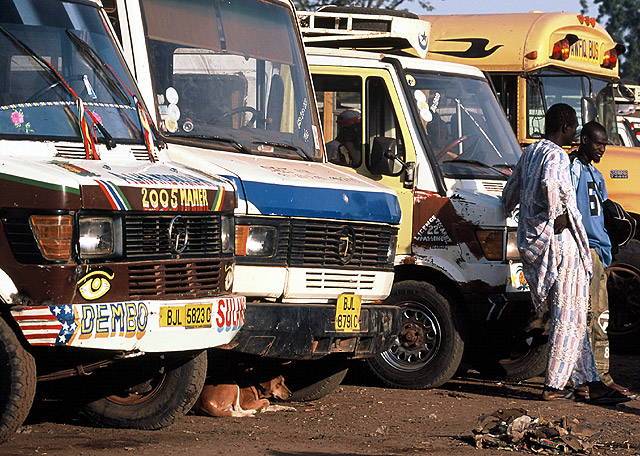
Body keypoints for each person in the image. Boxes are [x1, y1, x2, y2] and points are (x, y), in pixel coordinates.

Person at [501, 103, 629, 404]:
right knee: (569, 317)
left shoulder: (530, 152)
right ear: (568, 128)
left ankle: (589, 381)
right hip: (562, 245)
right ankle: (555, 385)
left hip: (536, 243)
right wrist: (558, 217)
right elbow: (552, 187)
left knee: (573, 314)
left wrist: (520, 216)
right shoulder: (557, 155)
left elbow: (509, 195)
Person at [568, 121, 631, 399]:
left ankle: (602, 375)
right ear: (583, 140)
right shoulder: (574, 170)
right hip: (587, 249)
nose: (602, 149)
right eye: (598, 143)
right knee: (592, 316)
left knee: (602, 317)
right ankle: (592, 378)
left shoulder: (596, 173)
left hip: (601, 249)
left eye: (605, 144)